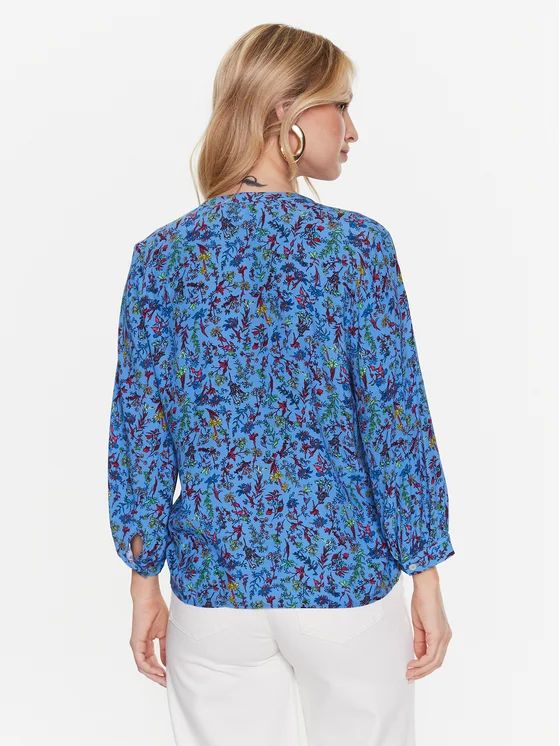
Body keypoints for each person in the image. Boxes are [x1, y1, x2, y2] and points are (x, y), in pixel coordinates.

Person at [107, 22, 455, 746]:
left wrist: (144, 581)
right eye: (341, 105)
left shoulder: (163, 257)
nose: (352, 130)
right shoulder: (356, 248)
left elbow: (141, 433)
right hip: (344, 584)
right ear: (285, 111)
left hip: (215, 590)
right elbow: (394, 423)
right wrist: (424, 571)